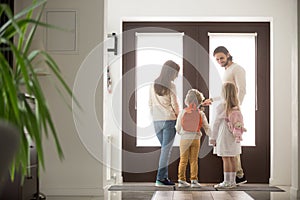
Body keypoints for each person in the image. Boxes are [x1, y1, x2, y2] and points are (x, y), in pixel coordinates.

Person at [204, 46, 247, 185]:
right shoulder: (226, 71)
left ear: (228, 55)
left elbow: (241, 91)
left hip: (231, 112)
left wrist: (233, 109)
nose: (220, 61)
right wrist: (213, 99)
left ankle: (236, 177)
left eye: (221, 58)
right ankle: (235, 177)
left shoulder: (237, 69)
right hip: (227, 110)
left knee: (230, 149)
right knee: (230, 149)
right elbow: (225, 94)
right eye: (217, 59)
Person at [149, 60, 180, 186]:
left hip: (156, 121)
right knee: (166, 151)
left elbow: (150, 103)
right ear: (171, 72)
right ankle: (160, 179)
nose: (177, 75)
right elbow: (174, 104)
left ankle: (163, 177)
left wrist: (154, 116)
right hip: (169, 120)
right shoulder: (171, 85)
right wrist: (179, 117)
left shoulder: (153, 84)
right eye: (176, 73)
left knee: (164, 150)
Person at [210, 82, 246, 189]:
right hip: (234, 136)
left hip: (224, 134)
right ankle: (232, 181)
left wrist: (213, 138)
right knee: (233, 158)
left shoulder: (222, 106)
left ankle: (226, 182)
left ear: (223, 93)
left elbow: (216, 124)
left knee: (225, 158)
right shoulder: (236, 107)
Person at [175, 89, 211, 188]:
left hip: (185, 139)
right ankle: (194, 180)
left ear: (187, 100)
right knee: (194, 160)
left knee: (183, 160)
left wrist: (181, 133)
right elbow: (206, 127)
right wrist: (213, 136)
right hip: (196, 138)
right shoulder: (200, 113)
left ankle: (181, 180)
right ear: (199, 101)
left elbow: (177, 127)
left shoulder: (183, 112)